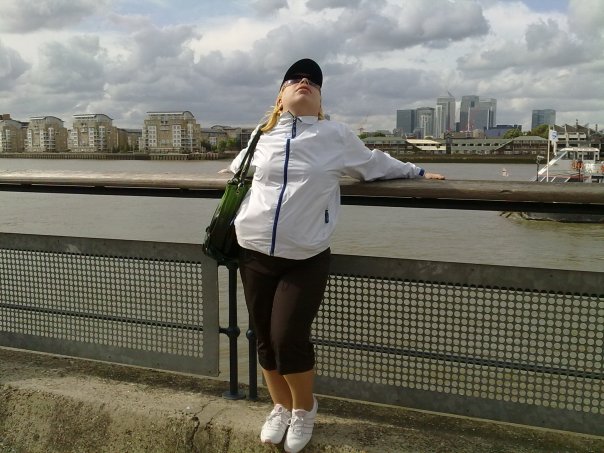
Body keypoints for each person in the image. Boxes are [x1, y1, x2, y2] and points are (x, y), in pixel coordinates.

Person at [224, 58, 444, 453]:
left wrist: (418, 172)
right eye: (295, 78)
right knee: (264, 340)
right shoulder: (262, 134)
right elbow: (240, 167)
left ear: (320, 99)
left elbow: (374, 164)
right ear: (280, 97)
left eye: (312, 80)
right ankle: (280, 407)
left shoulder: (335, 136)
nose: (304, 81)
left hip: (305, 255)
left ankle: (304, 409)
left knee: (288, 337)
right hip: (253, 250)